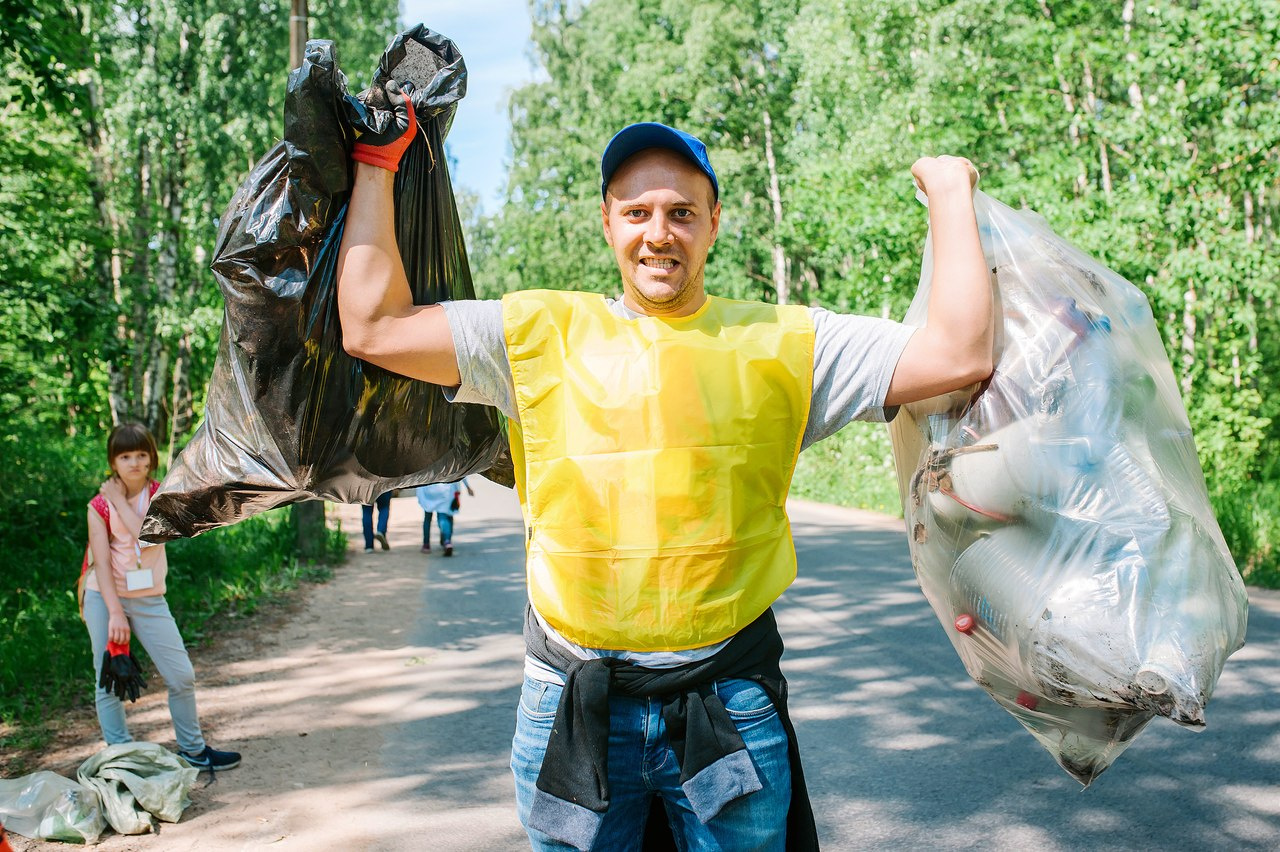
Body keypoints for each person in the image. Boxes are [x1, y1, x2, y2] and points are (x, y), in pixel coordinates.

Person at [337, 88, 989, 850]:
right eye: (637, 212)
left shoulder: (785, 343)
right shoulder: (535, 332)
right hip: (572, 707)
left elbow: (959, 354)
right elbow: (372, 325)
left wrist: (950, 193)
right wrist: (377, 165)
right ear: (607, 223)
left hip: (726, 706)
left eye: (682, 212)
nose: (659, 234)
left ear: (714, 223)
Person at [83, 422, 241, 772]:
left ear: (152, 458)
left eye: (141, 454)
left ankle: (194, 751)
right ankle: (122, 759)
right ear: (113, 461)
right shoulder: (98, 506)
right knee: (109, 679)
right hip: (105, 599)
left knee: (180, 675)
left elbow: (147, 534)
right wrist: (115, 613)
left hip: (149, 599)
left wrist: (116, 500)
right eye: (125, 456)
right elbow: (102, 564)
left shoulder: (163, 495)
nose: (134, 462)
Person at [416, 478, 475, 556]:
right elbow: (461, 468)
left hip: (428, 488)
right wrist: (467, 486)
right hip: (445, 488)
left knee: (427, 518)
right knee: (443, 516)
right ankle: (447, 541)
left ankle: (426, 545)